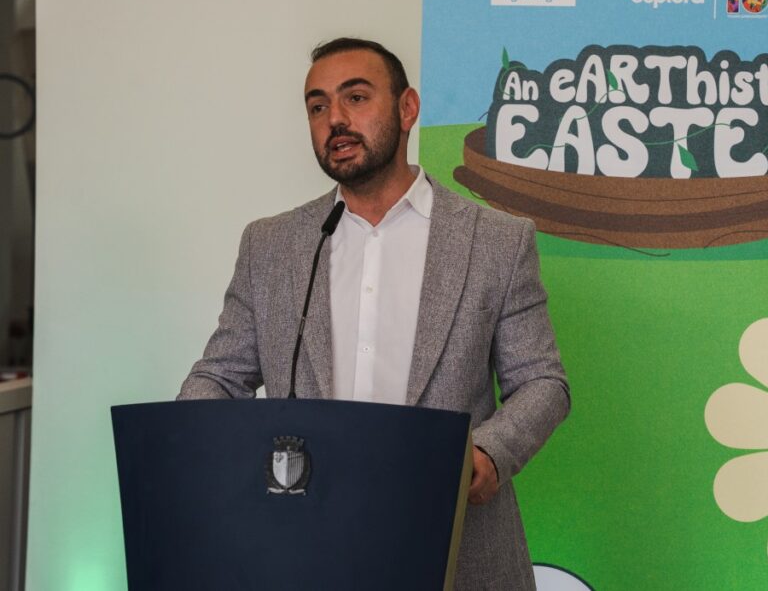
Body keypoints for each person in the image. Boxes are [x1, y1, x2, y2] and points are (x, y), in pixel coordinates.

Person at [178, 37, 570, 589]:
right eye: (317, 106)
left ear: (408, 108)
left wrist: (487, 452)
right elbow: (219, 377)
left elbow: (543, 381)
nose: (335, 119)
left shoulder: (496, 242)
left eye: (356, 98)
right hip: (304, 548)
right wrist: (190, 444)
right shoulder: (270, 246)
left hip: (457, 548)